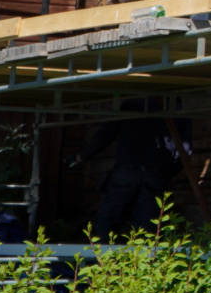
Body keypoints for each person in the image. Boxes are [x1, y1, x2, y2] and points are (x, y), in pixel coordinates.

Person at [72, 97, 191, 238]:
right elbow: (185, 150)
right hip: (154, 174)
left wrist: (82, 156)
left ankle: (102, 255)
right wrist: (166, 173)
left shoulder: (132, 104)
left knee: (108, 222)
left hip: (128, 171)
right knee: (147, 229)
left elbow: (106, 134)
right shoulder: (177, 108)